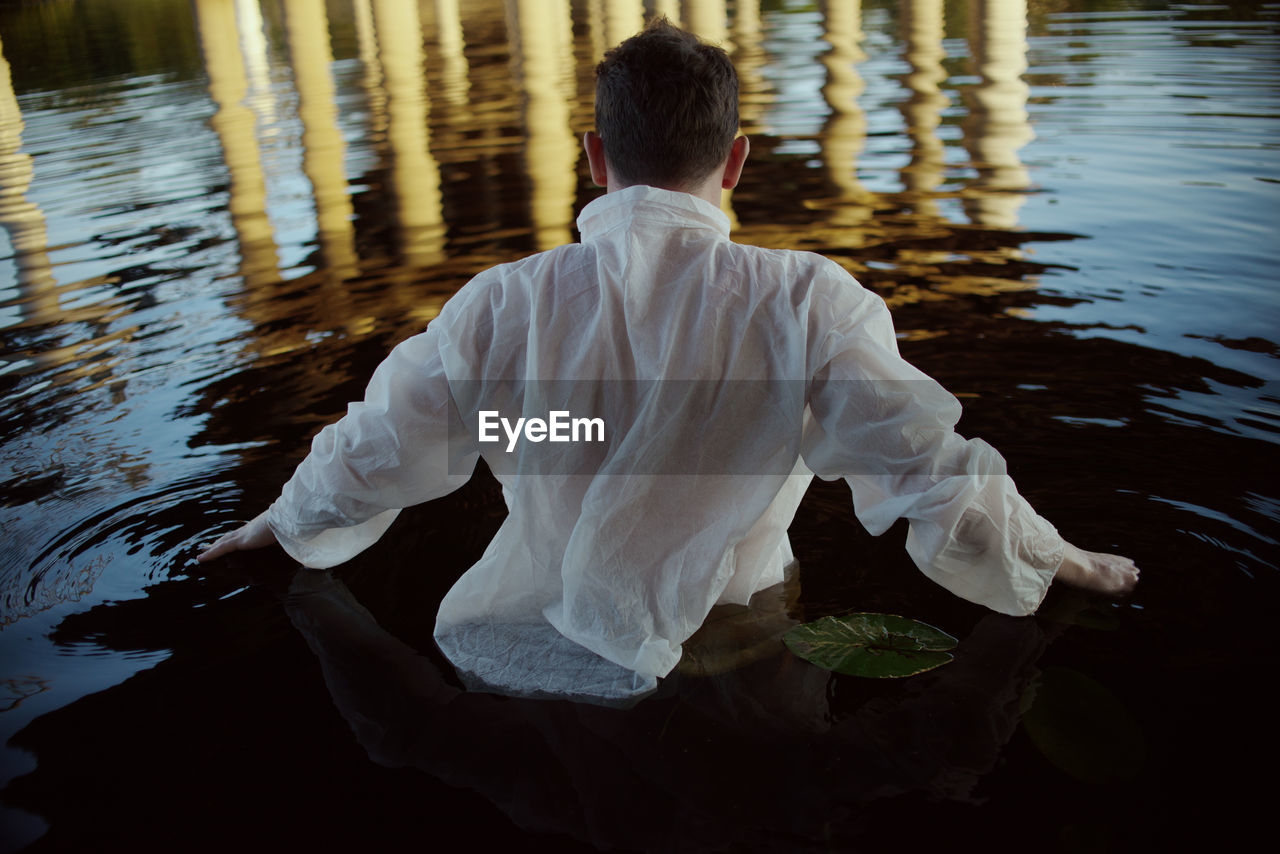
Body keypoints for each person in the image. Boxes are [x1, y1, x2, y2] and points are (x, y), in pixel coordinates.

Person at [197, 18, 1137, 706]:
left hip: (524, 657)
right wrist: (1061, 560)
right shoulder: (807, 302)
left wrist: (278, 528)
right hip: (736, 644)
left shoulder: (503, 302)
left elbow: (383, 444)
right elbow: (926, 469)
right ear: (736, 162)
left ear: (595, 156)